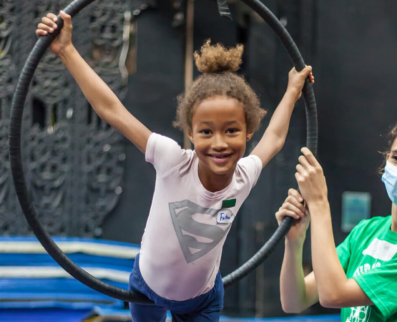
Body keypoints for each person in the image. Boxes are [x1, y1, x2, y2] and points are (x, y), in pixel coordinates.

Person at [36, 11, 314, 322]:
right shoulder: (172, 160)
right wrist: (66, 50)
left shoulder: (243, 176)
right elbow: (111, 109)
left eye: (232, 131)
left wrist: (292, 90)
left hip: (202, 300)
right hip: (147, 288)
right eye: (206, 132)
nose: (219, 143)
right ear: (190, 133)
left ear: (249, 131)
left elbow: (274, 138)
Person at [275, 113, 397, 321]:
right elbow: (294, 301)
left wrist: (319, 203)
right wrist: (294, 242)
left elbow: (334, 295)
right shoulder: (367, 230)